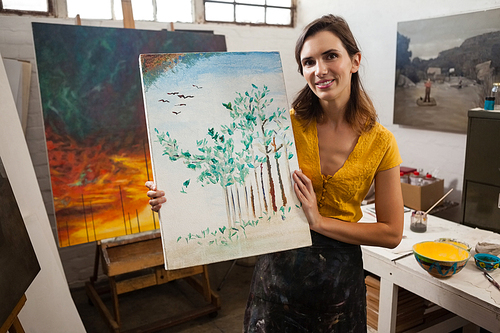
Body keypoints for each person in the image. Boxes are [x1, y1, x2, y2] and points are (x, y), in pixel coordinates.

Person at [146, 14, 404, 333]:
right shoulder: (280, 125)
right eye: (308, 62)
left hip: (338, 287)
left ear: (355, 61)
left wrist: (319, 222)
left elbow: (392, 233)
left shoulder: (381, 142)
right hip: (278, 281)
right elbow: (226, 178)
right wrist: (172, 198)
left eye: (330, 56)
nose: (319, 69)